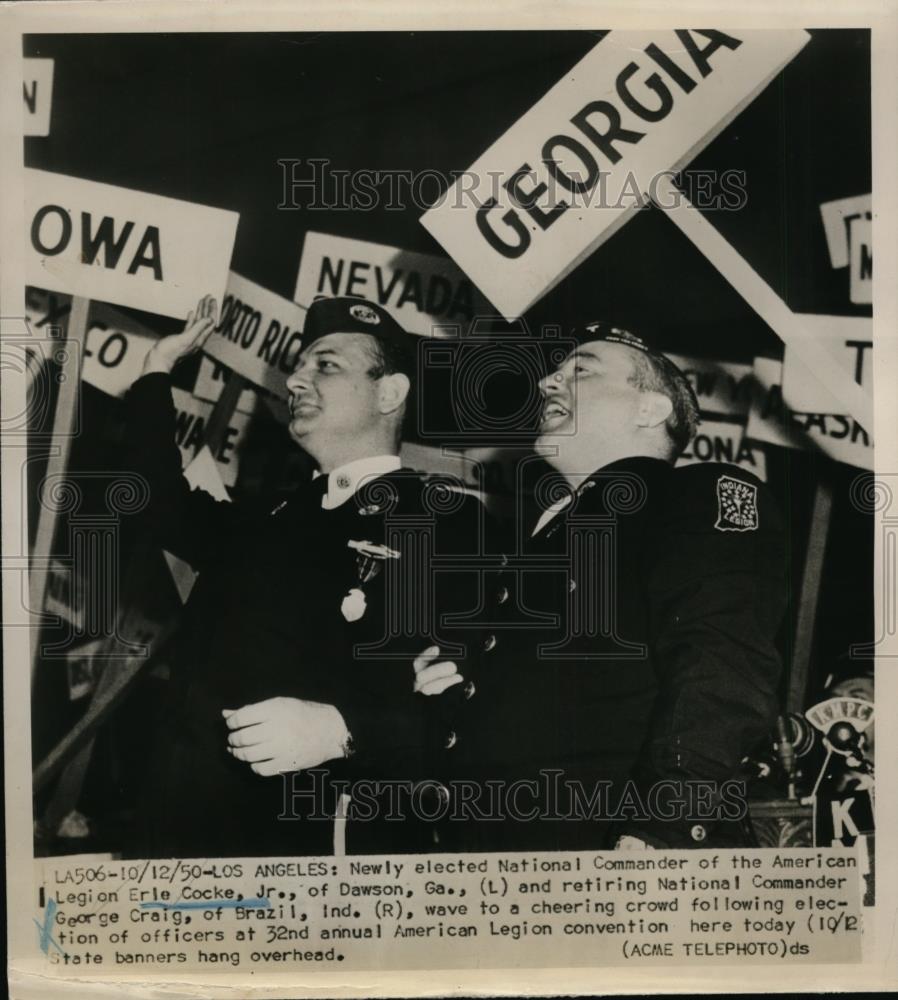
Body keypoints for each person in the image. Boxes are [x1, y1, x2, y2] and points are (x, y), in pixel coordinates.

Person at [123, 293, 485, 858]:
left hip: (307, 844)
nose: (294, 380)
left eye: (326, 365)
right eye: (298, 365)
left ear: (389, 393)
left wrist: (344, 730)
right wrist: (156, 368)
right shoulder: (271, 515)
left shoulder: (441, 519)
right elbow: (153, 501)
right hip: (179, 827)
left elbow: (463, 701)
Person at [415, 322, 788, 850]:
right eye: (555, 371)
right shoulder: (533, 541)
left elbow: (721, 668)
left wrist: (663, 826)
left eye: (581, 370)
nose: (547, 382)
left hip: (614, 853)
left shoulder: (696, 496)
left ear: (650, 409)